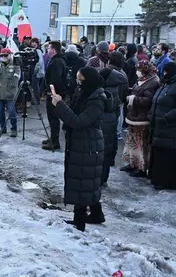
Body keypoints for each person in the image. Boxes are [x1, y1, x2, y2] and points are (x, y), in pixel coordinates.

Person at [50, 67, 107, 232]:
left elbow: (79, 121)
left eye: (80, 79)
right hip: (82, 143)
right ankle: (96, 214)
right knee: (86, 181)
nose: (78, 82)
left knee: (83, 180)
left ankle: (79, 222)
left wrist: (59, 105)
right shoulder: (85, 93)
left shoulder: (97, 99)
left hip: (88, 144)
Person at [149, 62, 176, 190]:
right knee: (161, 155)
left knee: (170, 156)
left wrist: (168, 117)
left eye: (166, 71)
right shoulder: (166, 84)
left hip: (173, 127)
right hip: (160, 126)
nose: (164, 74)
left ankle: (170, 182)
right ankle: (159, 179)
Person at [122, 60, 160, 176]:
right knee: (132, 141)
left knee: (141, 144)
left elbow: (148, 100)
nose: (137, 72)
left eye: (139, 70)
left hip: (142, 118)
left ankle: (142, 167)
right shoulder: (142, 80)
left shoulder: (152, 82)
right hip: (134, 115)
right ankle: (132, 163)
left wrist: (133, 98)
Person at [99, 64, 128, 186]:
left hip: (104, 124)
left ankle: (100, 179)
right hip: (111, 124)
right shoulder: (114, 89)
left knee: (101, 153)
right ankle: (104, 179)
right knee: (106, 152)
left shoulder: (105, 92)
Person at [43, 41, 68, 150]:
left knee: (53, 117)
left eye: (48, 48)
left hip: (54, 93)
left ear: (53, 50)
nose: (47, 50)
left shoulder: (56, 62)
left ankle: (55, 141)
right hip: (55, 92)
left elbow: (55, 79)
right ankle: (52, 137)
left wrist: (52, 92)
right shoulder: (56, 60)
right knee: (52, 117)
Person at [0, 48, 21, 137]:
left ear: (10, 55)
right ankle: (3, 128)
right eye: (2, 55)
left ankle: (14, 129)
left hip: (10, 93)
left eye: (5, 55)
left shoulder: (16, 65)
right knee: (0, 112)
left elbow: (16, 80)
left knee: (11, 112)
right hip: (0, 92)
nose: (3, 57)